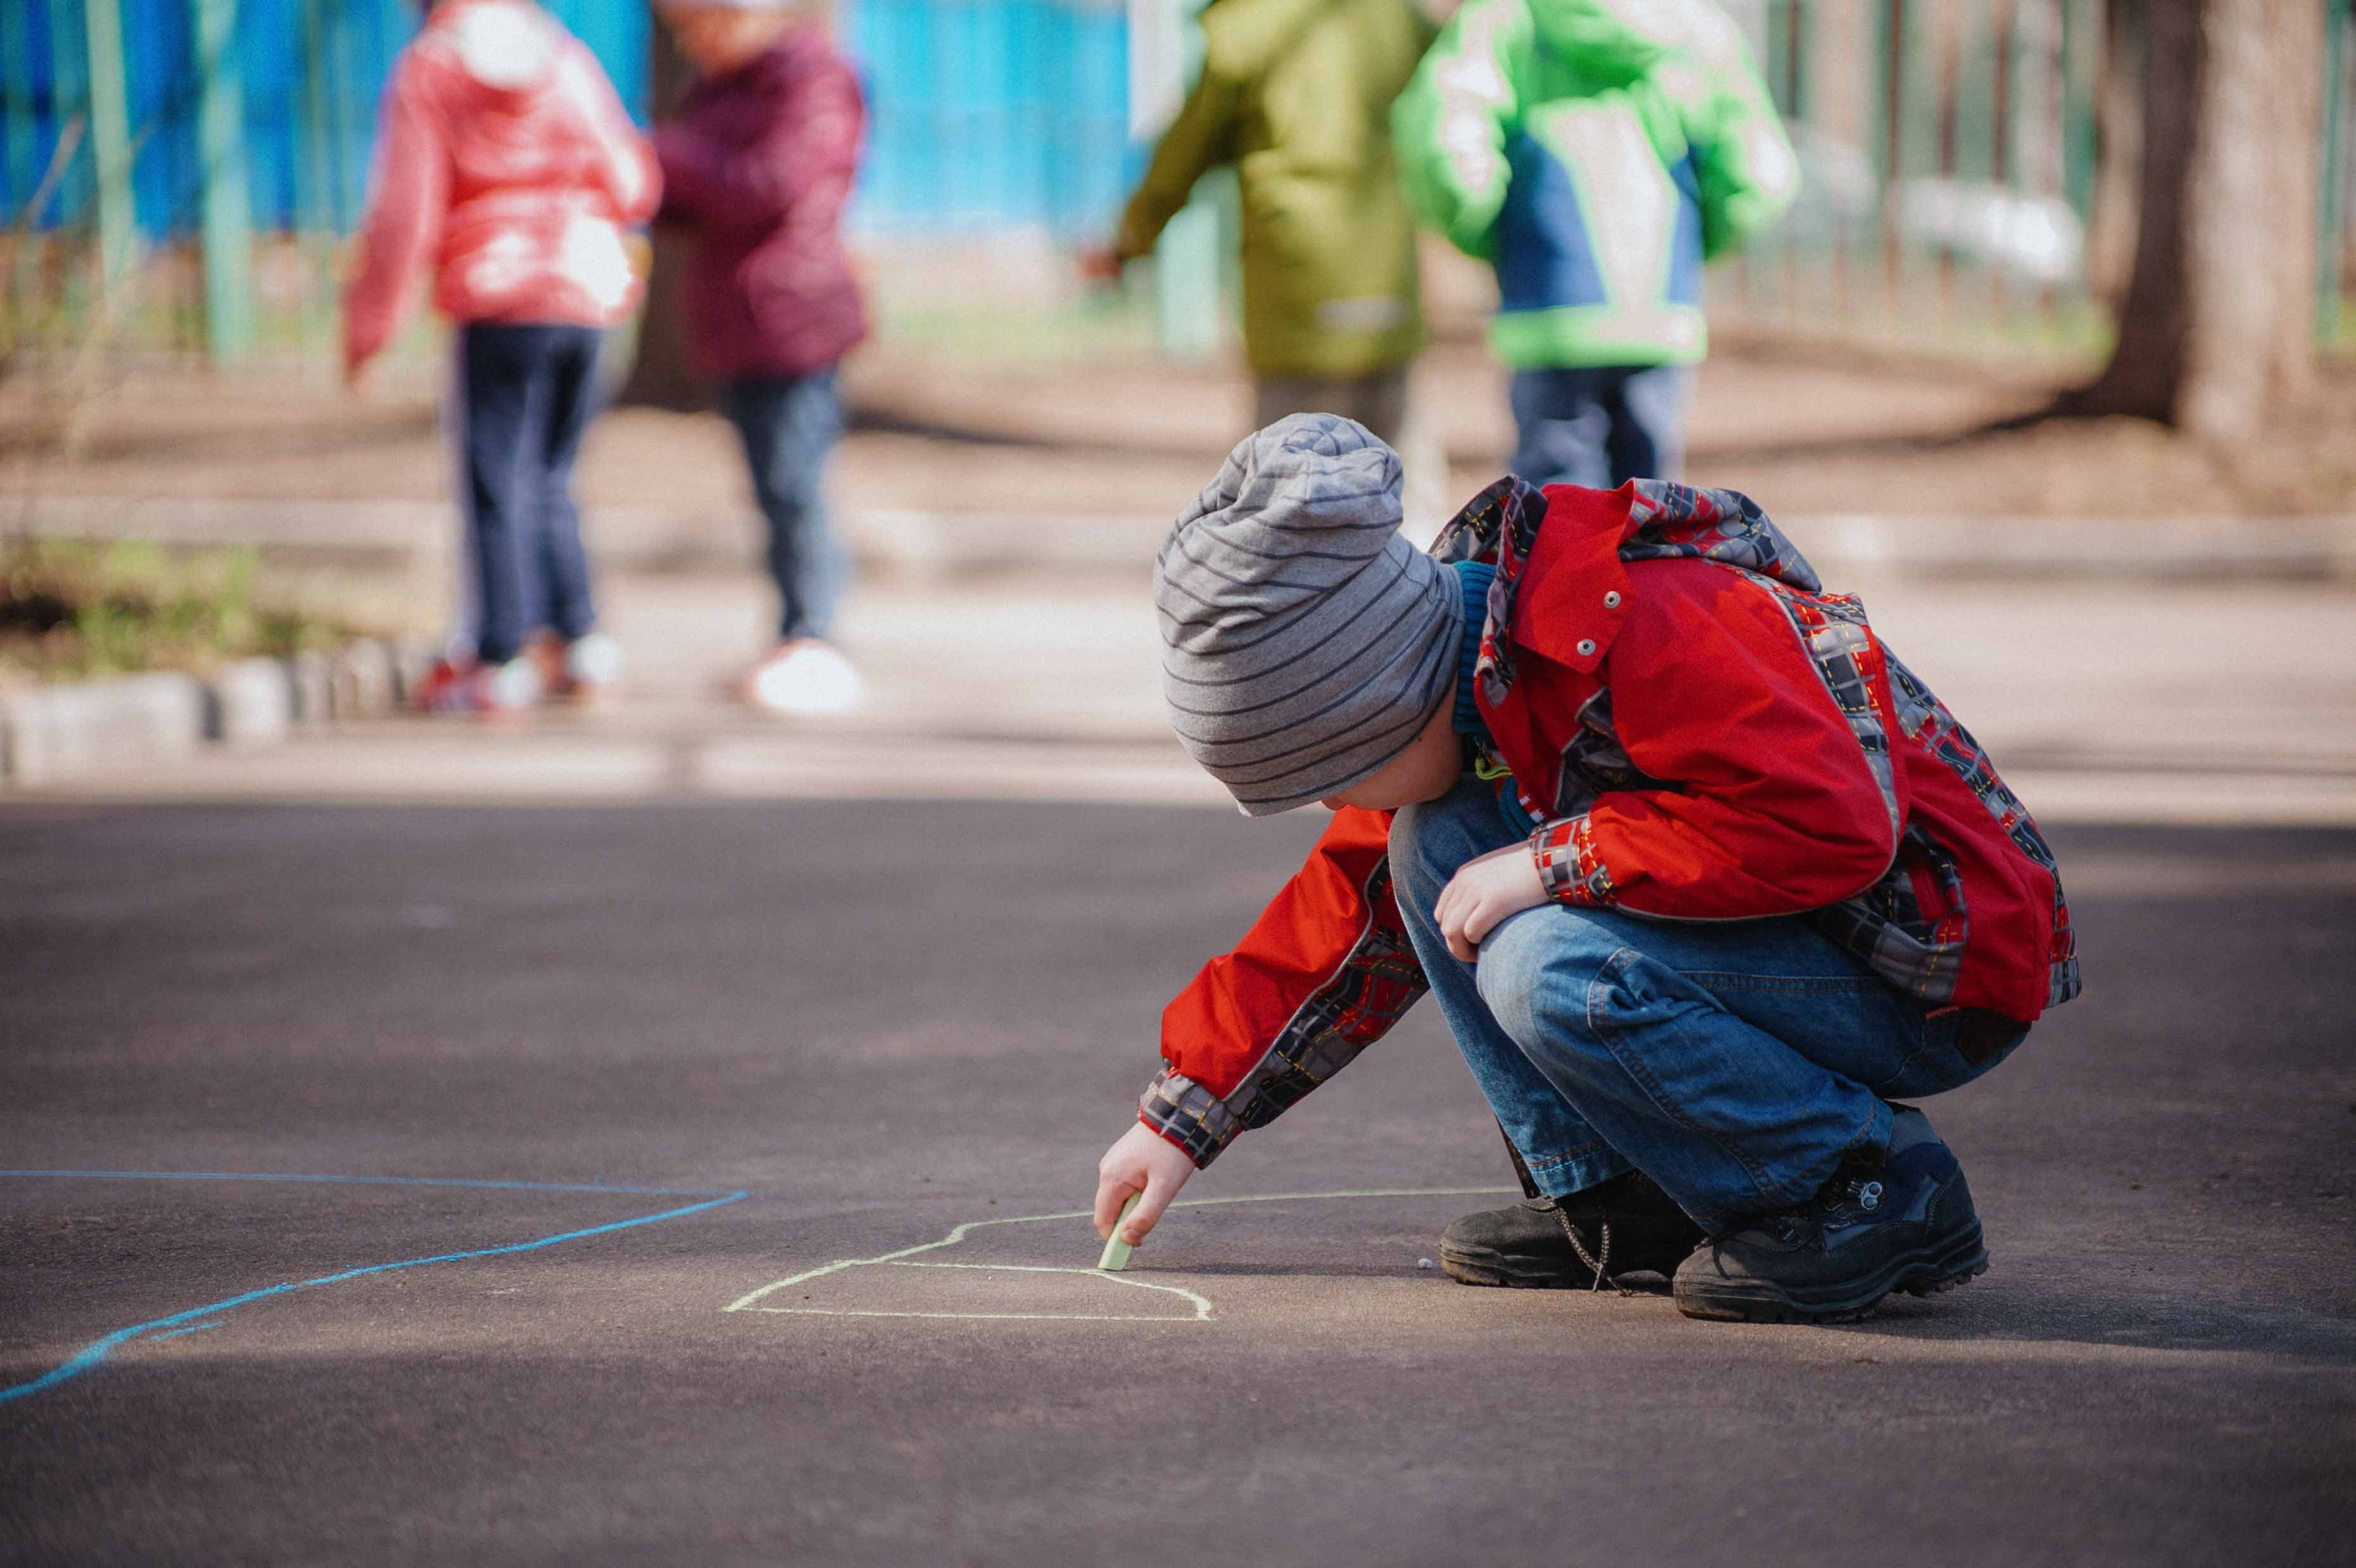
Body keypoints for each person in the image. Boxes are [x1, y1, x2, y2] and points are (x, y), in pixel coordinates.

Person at [1093, 415, 2080, 1323]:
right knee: (1429, 853)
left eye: (1335, 775)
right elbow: (1344, 919)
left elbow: (1832, 824)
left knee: (1544, 964)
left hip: (1923, 977)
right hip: (1800, 944)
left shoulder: (1658, 618)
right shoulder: (1478, 682)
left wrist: (1555, 859)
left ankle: (1862, 1182)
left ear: (1388, 700)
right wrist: (1185, 1119)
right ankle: (1623, 1194)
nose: (1333, 805)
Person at [344, 0, 658, 715]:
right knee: (551, 473)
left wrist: (371, 326)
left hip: (500, 291)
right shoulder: (561, 54)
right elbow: (631, 177)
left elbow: (405, 212)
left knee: (496, 478)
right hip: (585, 287)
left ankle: (502, 653)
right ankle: (581, 641)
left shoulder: (431, 67)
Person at [1392, 0, 1797, 488]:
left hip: (1549, 304)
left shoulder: (1507, 19)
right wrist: (1698, 243)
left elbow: (1445, 143)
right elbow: (1755, 171)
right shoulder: (1694, 25)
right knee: (1649, 508)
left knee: (1558, 511)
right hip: (1660, 307)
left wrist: (1489, 232)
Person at [1086, 0, 1434, 448]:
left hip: (1297, 292)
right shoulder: (1392, 14)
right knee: (1401, 477)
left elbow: (1180, 159)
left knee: (1288, 487)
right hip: (1385, 278)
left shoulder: (1245, 29)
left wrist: (1126, 242)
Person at [653, 0, 868, 717]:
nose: (695, 44)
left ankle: (814, 635)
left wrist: (661, 158)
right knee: (770, 488)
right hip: (734, 314)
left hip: (792, 312)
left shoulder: (812, 79)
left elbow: (771, 181)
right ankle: (791, 634)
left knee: (795, 481)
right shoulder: (720, 88)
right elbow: (697, 191)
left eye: (701, 26)